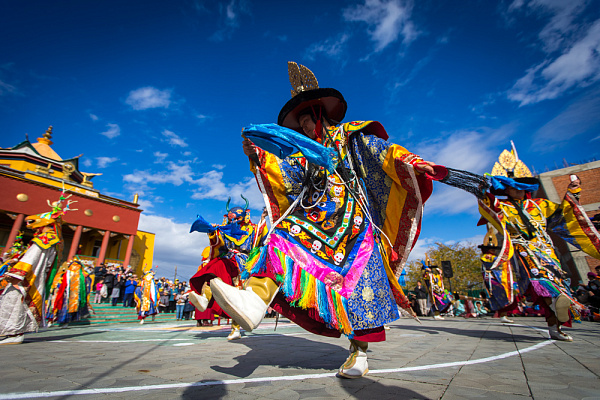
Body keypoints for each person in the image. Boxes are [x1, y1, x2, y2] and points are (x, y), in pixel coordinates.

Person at [209, 62, 446, 378]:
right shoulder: (302, 155)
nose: (305, 127)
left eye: (308, 120)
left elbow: (384, 152)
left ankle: (359, 354)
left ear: (320, 115)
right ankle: (254, 301)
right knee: (278, 237)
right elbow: (287, 182)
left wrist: (412, 162)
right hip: (315, 220)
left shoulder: (350, 137)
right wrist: (257, 155)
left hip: (355, 223)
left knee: (361, 288)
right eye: (301, 123)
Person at [478, 158, 600, 341]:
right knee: (541, 279)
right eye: (513, 187)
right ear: (506, 189)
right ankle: (556, 303)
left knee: (558, 283)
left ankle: (555, 326)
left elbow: (563, 213)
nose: (518, 191)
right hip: (523, 248)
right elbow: (488, 207)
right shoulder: (503, 206)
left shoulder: (540, 204)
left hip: (547, 249)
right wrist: (481, 190)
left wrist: (573, 190)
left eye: (521, 187)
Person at [0, 189, 76, 344]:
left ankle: (14, 333)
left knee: (16, 302)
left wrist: (17, 272)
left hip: (28, 276)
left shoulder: (46, 239)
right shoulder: (51, 240)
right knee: (17, 303)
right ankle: (13, 332)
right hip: (34, 276)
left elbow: (32, 258)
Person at [188, 197, 268, 340]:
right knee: (214, 268)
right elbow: (218, 246)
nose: (234, 221)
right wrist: (212, 232)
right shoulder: (225, 230)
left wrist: (263, 218)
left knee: (238, 294)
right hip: (228, 259)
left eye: (237, 218)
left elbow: (261, 239)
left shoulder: (253, 229)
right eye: (232, 219)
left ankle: (235, 329)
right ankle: (205, 298)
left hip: (244, 262)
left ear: (245, 216)